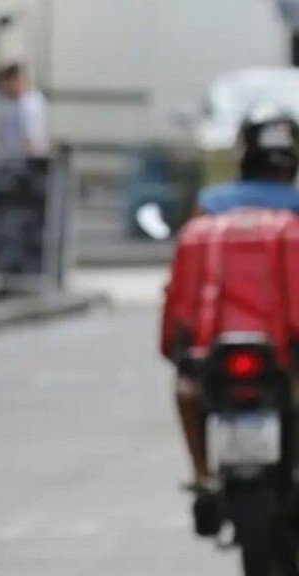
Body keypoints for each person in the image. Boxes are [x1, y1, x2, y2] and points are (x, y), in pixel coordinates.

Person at [175, 107, 299, 532]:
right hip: (283, 348)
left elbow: (181, 291)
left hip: (213, 345)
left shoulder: (211, 205)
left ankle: (202, 476)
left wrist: (181, 346)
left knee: (186, 389)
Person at [0, 63, 50, 165]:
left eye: (5, 85)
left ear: (15, 81)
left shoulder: (28, 105)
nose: (4, 90)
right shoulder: (20, 103)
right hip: (18, 162)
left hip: (26, 164)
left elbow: (30, 140)